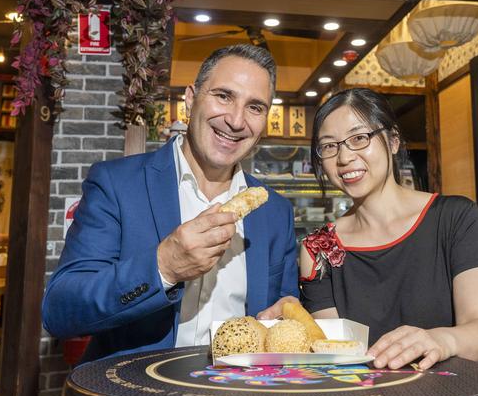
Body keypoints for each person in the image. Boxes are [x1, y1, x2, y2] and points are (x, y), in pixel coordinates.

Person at [42, 44, 298, 362]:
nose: (236, 120)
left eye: (255, 107)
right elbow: (60, 311)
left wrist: (288, 319)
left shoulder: (276, 212)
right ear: (190, 99)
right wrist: (163, 267)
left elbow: (284, 311)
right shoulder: (117, 184)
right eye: (224, 96)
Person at [298, 88, 478, 370]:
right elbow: (337, 355)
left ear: (393, 141)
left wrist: (442, 340)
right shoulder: (317, 248)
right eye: (330, 146)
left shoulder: (455, 218)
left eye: (359, 138)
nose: (344, 157)